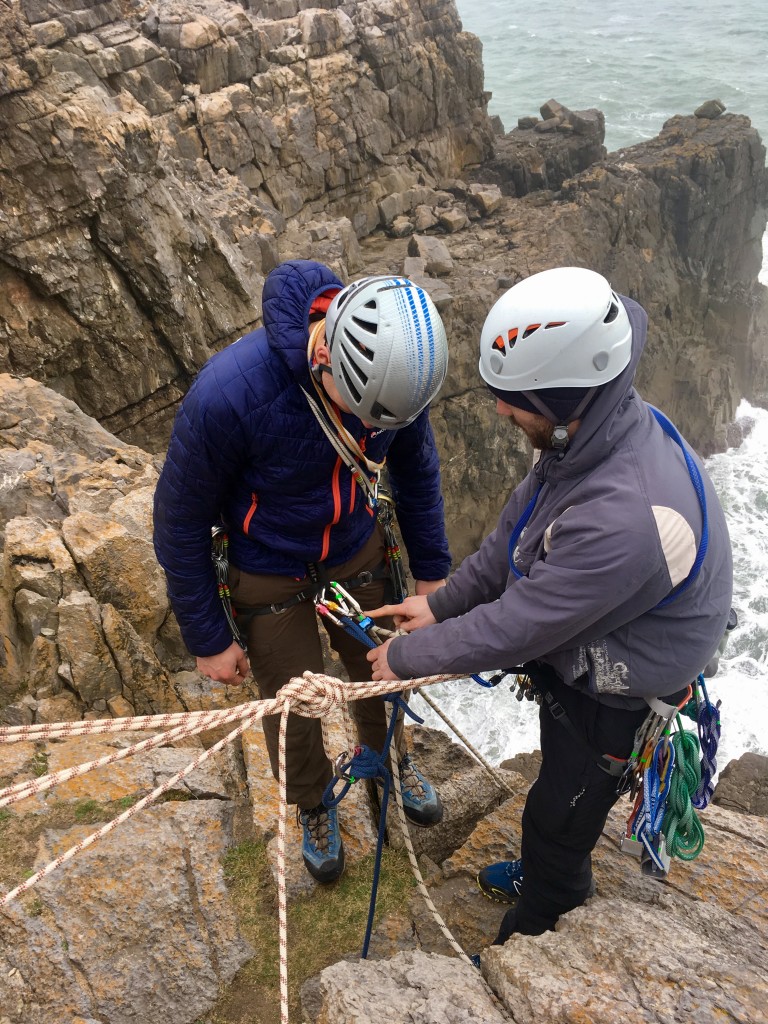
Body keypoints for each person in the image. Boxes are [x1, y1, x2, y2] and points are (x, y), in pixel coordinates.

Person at [365, 266, 733, 943]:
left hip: (619, 692)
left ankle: (540, 923)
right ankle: (549, 872)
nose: (502, 411)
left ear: (567, 403)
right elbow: (516, 536)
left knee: (559, 817)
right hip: (596, 644)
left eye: (516, 400)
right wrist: (441, 606)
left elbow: (520, 625)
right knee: (553, 792)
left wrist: (408, 656)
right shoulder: (588, 440)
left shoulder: (624, 515)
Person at [153, 260, 452, 884]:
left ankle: (388, 758)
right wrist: (209, 637)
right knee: (290, 701)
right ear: (323, 362)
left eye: (383, 422)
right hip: (267, 562)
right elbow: (178, 521)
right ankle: (314, 804)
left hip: (354, 544)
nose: (372, 430)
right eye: (363, 414)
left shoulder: (399, 372)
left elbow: (417, 475)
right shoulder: (231, 393)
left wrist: (432, 575)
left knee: (383, 666)